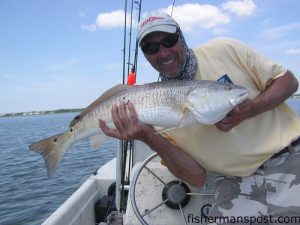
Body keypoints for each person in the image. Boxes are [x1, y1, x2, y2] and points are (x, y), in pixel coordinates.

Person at [99, 12, 300, 224]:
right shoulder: (150, 110)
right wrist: (148, 136)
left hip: (290, 157)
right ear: (146, 55)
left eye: (169, 40)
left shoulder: (225, 49)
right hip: (233, 185)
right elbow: (197, 178)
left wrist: (252, 109)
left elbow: (289, 81)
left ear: (181, 37)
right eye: (151, 48)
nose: (163, 52)